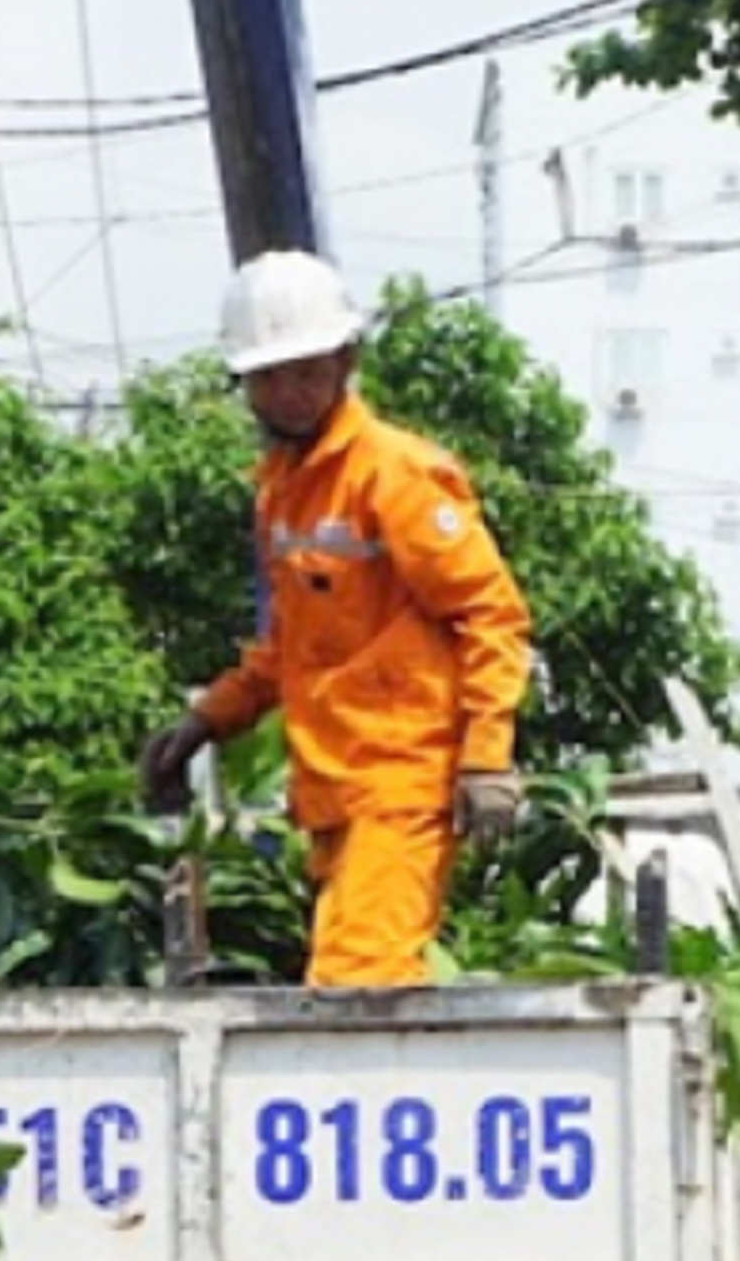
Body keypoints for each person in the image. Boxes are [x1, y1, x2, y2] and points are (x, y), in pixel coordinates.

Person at [138, 250, 534, 990]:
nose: (287, 392)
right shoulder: (285, 492)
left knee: (357, 986)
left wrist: (486, 759)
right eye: (267, 376)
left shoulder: (395, 474)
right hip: (332, 790)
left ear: (346, 360)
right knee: (355, 989)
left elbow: (491, 615)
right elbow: (293, 645)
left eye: (306, 371)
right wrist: (208, 721)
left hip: (400, 782)